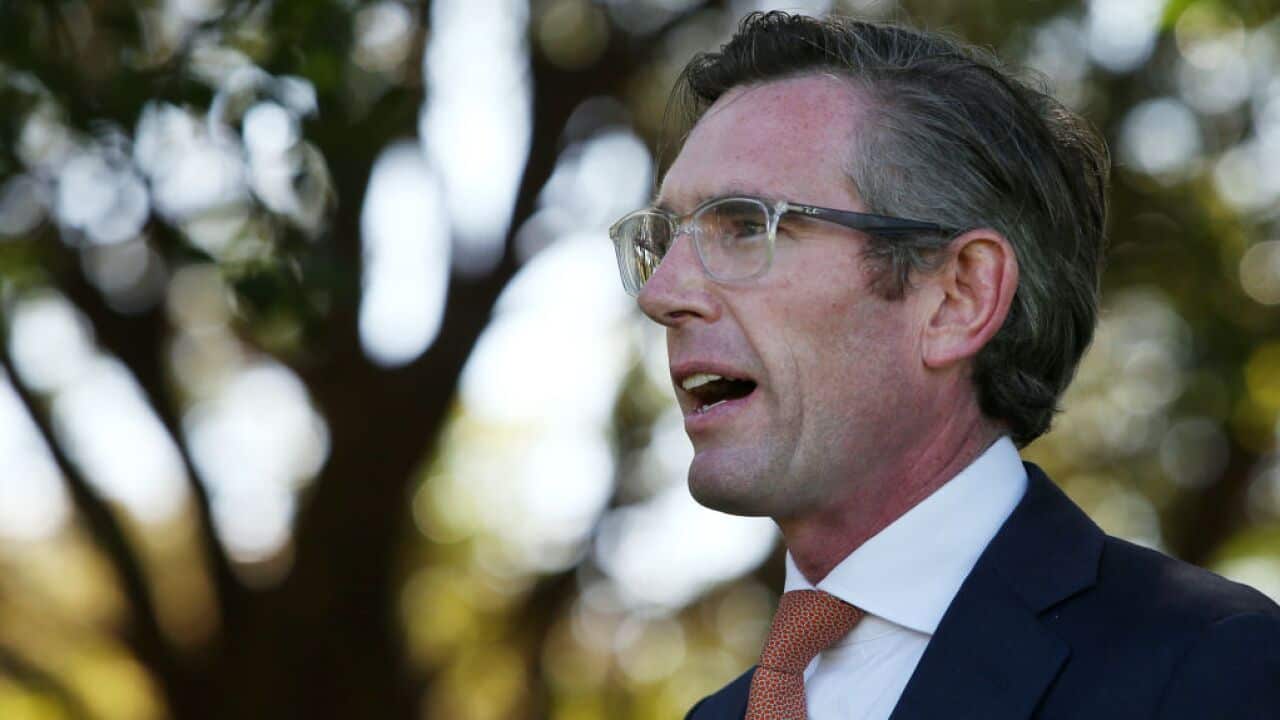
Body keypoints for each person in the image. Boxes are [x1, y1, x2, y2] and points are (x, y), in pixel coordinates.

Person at [605, 11, 1280, 720]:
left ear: (959, 297)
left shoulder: (1212, 671)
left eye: (744, 225)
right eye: (664, 240)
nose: (662, 294)